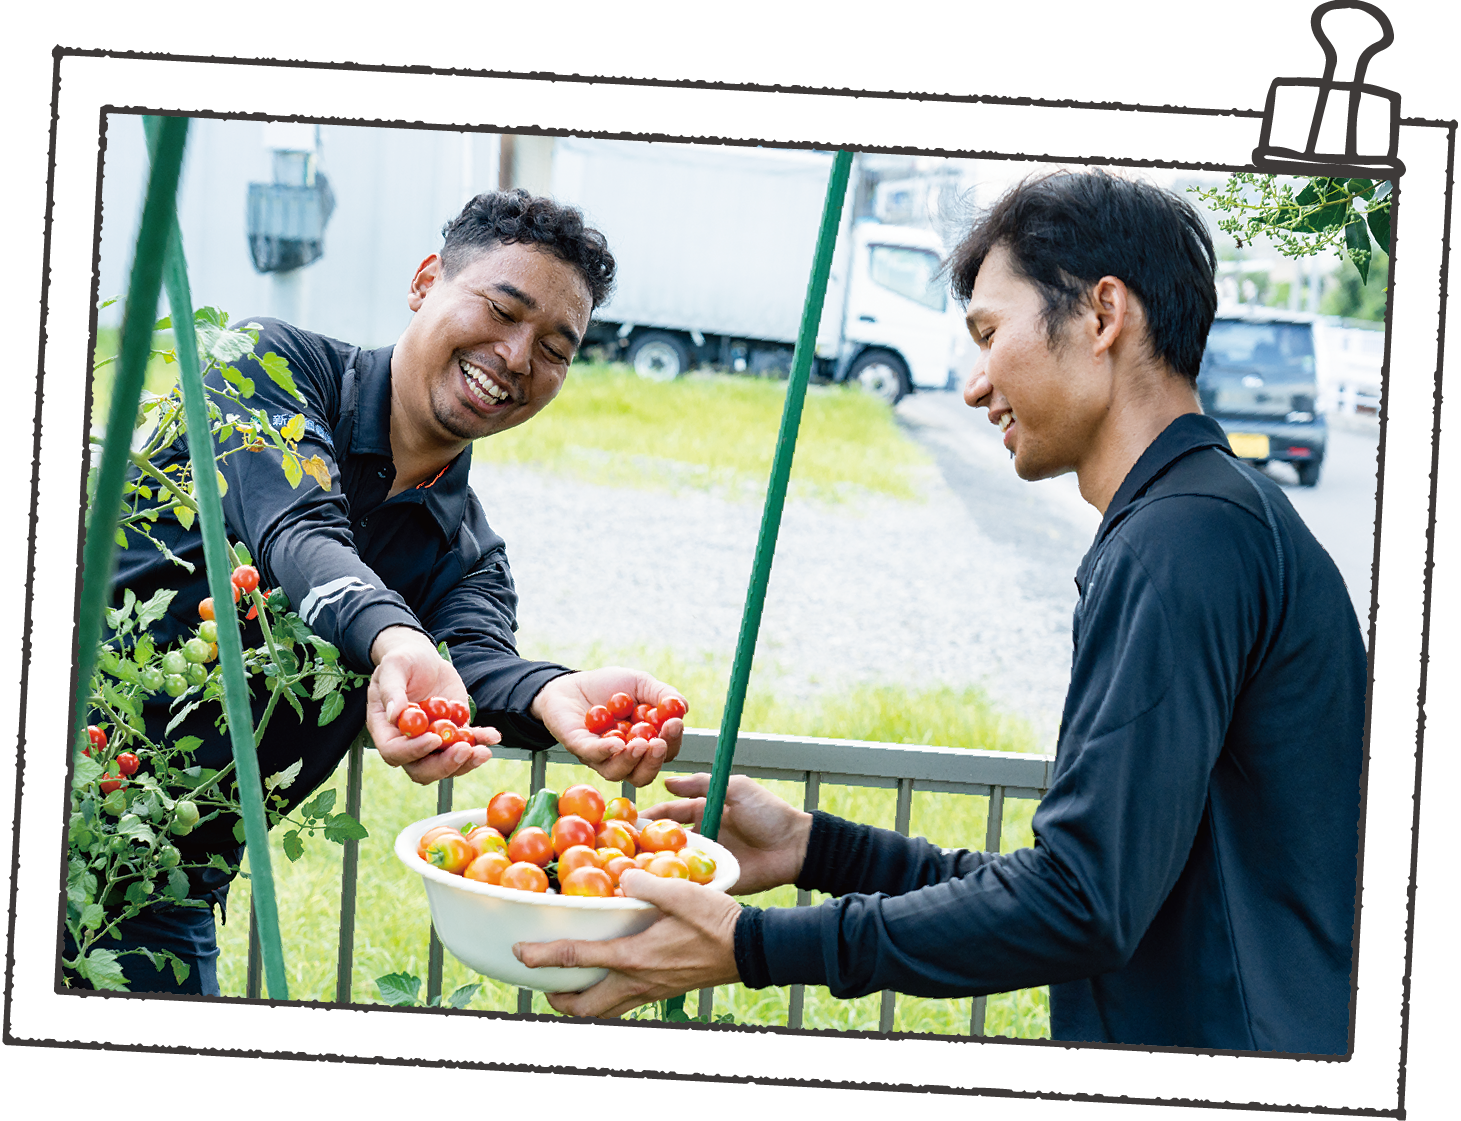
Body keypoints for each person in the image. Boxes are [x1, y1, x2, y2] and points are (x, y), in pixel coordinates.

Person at [514, 170, 1368, 1056]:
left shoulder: (1183, 539)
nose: (973, 384)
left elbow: (1079, 902)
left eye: (990, 334)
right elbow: (1076, 881)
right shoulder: (1208, 518)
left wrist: (752, 946)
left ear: (1102, 314)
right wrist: (815, 847)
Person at [77, 190, 688, 994]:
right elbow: (297, 527)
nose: (516, 356)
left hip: (164, 885)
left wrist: (552, 692)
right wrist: (397, 637)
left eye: (553, 348)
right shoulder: (265, 364)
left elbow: (474, 664)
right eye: (502, 309)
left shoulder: (468, 551)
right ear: (426, 280)